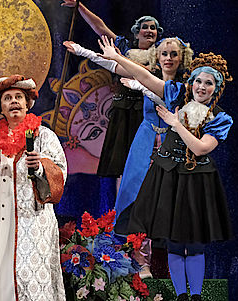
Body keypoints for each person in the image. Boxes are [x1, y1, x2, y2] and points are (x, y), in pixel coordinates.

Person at [96, 35, 233, 301]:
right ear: (190, 82)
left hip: (196, 181)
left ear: (217, 89)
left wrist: (175, 123)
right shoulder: (176, 94)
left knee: (195, 245)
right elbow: (145, 77)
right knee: (174, 243)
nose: (202, 87)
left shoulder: (220, 118)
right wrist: (117, 57)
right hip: (169, 177)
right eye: (198, 81)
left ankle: (197, 300)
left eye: (209, 83)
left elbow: (200, 147)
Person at [63, 37, 193, 278]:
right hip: (145, 139)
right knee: (136, 197)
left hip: (172, 142)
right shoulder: (147, 74)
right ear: (156, 56)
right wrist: (82, 50)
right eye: (164, 53)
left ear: (182, 58)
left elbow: (158, 92)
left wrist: (140, 86)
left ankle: (179, 265)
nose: (168, 58)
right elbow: (114, 66)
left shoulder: (185, 86)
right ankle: (142, 262)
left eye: (174, 54)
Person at [0, 75, 72, 301]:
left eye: (18, 98)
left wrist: (40, 167)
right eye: (8, 98)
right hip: (5, 221)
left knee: (32, 276)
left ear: (28, 104)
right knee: (12, 279)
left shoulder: (43, 135)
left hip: (35, 219)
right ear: (1, 107)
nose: (14, 102)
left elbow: (61, 172)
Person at [55, 0, 162, 179]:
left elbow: (148, 74)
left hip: (147, 111)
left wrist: (120, 59)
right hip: (123, 110)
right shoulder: (125, 48)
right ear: (136, 33)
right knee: (121, 163)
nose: (149, 31)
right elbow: (101, 28)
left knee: (147, 161)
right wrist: (79, 6)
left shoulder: (162, 54)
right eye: (145, 27)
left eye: (153, 28)